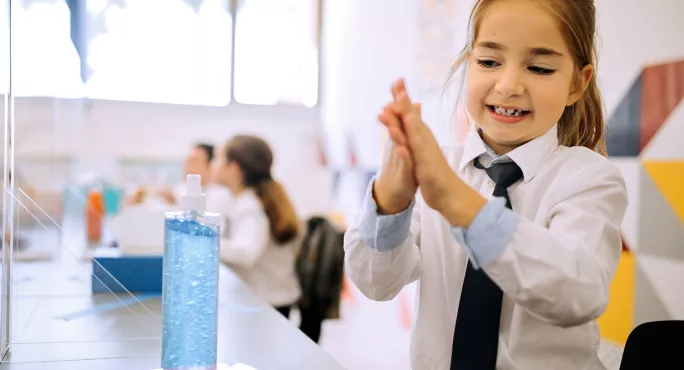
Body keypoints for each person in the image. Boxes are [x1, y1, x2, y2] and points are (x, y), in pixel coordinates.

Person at [344, 1, 628, 369]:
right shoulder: (436, 167)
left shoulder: (589, 178)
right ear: (467, 64)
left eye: (539, 67)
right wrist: (390, 202)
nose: (508, 86)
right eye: (489, 62)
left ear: (577, 83)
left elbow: (578, 292)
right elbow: (375, 283)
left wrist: (458, 203)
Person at [212, 135, 302, 318]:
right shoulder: (249, 199)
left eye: (219, 159)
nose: (214, 165)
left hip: (268, 303)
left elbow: (246, 253)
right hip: (270, 299)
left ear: (234, 168)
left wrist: (203, 243)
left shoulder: (251, 205)